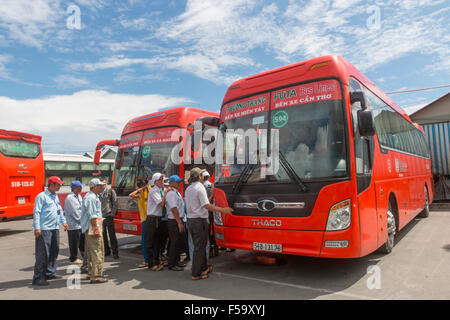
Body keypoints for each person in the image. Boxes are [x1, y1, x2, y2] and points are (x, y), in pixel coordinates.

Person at [185, 167, 233, 280]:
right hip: (199, 221)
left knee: (199, 246)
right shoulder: (199, 188)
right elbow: (206, 205)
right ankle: (196, 273)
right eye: (202, 175)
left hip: (191, 220)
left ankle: (203, 268)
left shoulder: (188, 188)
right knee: (199, 248)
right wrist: (223, 210)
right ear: (199, 177)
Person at [32, 176, 68, 286]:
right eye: (58, 185)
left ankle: (50, 272)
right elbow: (36, 212)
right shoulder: (41, 196)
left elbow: (59, 210)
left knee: (54, 251)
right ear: (51, 185)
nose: (60, 187)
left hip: (54, 228)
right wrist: (37, 227)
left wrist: (63, 221)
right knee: (43, 254)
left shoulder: (54, 196)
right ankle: (38, 277)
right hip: (44, 229)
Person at [81, 178, 108, 284]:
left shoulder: (92, 196)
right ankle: (95, 275)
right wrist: (96, 229)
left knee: (92, 251)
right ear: (94, 187)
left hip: (93, 226)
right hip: (93, 226)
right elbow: (92, 215)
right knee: (97, 250)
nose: (102, 187)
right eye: (100, 185)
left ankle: (91, 273)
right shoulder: (91, 198)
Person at [145, 173, 171, 271]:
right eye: (160, 179)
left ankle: (157, 261)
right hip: (152, 218)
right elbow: (161, 203)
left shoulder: (162, 190)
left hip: (160, 218)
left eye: (162, 179)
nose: (162, 181)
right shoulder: (153, 191)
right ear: (155, 181)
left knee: (158, 242)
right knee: (150, 241)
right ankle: (151, 264)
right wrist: (165, 193)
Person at [165, 175, 186, 271]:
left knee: (177, 242)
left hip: (178, 219)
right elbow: (174, 208)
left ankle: (176, 261)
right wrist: (179, 222)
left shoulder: (176, 193)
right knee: (174, 242)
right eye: (177, 182)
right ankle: (172, 264)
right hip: (174, 220)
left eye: (179, 181)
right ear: (172, 183)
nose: (179, 183)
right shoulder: (171, 194)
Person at [129, 179, 150, 268]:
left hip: (145, 219)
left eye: (136, 187)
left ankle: (146, 260)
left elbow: (131, 194)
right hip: (150, 218)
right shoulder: (147, 191)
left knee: (145, 241)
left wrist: (139, 189)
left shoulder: (143, 192)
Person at [64, 180, 85, 264]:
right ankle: (73, 258)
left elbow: (82, 208)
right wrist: (83, 220)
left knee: (81, 242)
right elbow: (75, 213)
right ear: (75, 188)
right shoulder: (70, 198)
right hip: (73, 225)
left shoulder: (78, 196)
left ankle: (83, 257)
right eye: (79, 187)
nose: (81, 188)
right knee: (74, 242)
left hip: (80, 224)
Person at [98, 177, 119, 259]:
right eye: (101, 184)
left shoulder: (110, 191)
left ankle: (115, 252)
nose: (103, 186)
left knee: (112, 235)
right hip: (100, 217)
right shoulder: (97, 193)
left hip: (108, 215)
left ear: (106, 184)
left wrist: (112, 214)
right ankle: (106, 251)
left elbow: (115, 203)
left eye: (104, 184)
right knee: (103, 236)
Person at [202, 171, 219, 257]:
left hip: (205, 211)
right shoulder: (212, 185)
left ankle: (210, 250)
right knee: (214, 229)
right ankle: (215, 248)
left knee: (207, 231)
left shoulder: (201, 186)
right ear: (208, 177)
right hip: (213, 210)